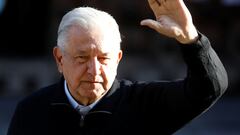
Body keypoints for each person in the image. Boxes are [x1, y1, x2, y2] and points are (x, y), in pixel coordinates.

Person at [7, 0, 228, 135]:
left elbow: (209, 89)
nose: (94, 70)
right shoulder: (31, 112)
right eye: (82, 58)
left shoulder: (143, 105)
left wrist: (190, 39)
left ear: (118, 58)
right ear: (59, 59)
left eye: (103, 58)